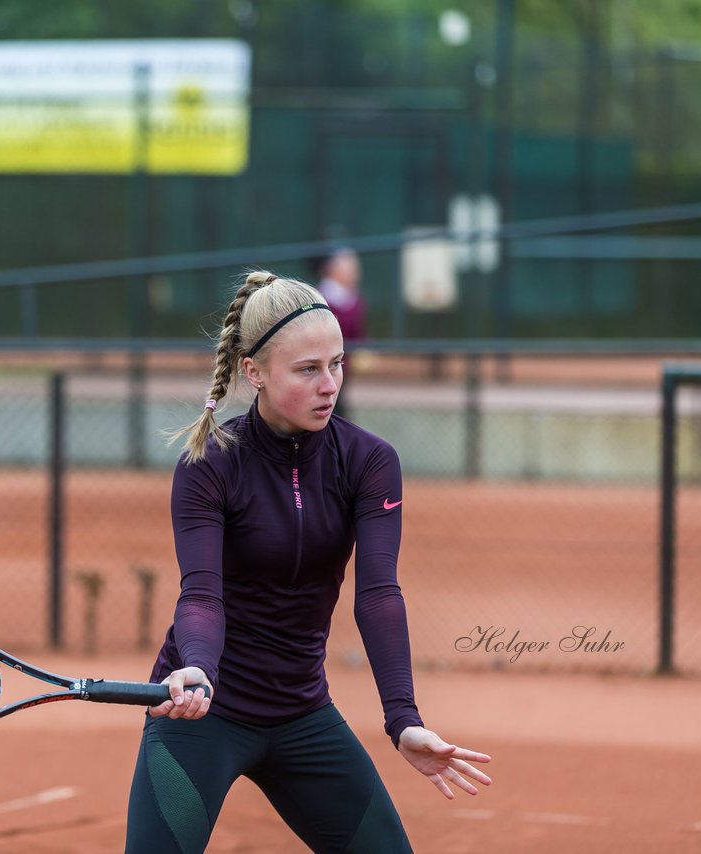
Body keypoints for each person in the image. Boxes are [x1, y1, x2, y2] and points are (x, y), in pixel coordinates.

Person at [124, 271, 491, 853]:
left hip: (301, 714)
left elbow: (378, 594)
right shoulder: (211, 464)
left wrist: (403, 718)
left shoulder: (369, 462)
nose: (330, 385)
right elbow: (200, 595)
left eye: (338, 364)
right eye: (307, 370)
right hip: (202, 713)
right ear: (255, 372)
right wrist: (197, 669)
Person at [314, 246, 366, 419]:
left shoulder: (356, 300)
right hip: (322, 362)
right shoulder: (320, 297)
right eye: (347, 268)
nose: (353, 273)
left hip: (343, 365)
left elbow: (358, 333)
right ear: (332, 269)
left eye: (354, 268)